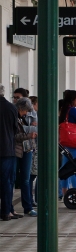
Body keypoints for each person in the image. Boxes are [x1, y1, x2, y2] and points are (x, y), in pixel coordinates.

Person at [59, 90, 76, 199]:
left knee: (65, 167)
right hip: (74, 143)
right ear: (73, 99)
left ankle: (64, 191)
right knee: (75, 167)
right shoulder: (74, 110)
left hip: (66, 142)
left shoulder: (64, 110)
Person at [0, 86, 21, 221]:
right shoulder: (11, 107)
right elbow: (16, 129)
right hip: (7, 149)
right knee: (7, 181)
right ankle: (7, 211)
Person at [15, 97, 37, 217]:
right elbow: (15, 134)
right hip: (17, 150)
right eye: (26, 111)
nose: (27, 113)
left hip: (27, 149)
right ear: (20, 108)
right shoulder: (14, 116)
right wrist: (28, 133)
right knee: (15, 178)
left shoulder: (25, 117)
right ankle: (11, 207)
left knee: (26, 178)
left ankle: (28, 207)